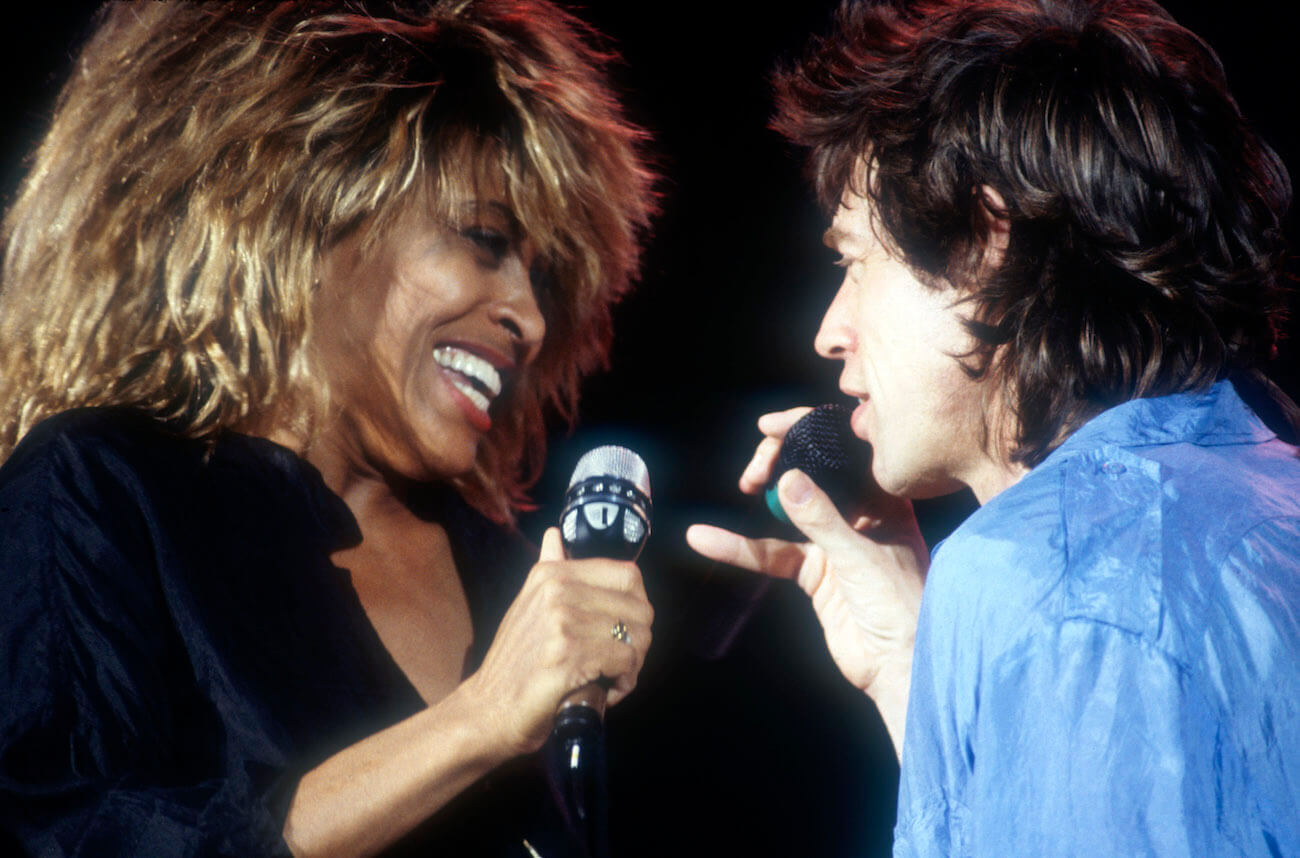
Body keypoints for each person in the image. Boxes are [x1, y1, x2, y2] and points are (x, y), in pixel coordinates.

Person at [0, 2, 655, 855]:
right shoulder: (98, 492)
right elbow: (78, 834)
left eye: (544, 279)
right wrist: (478, 720)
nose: (529, 318)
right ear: (306, 212)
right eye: (483, 240)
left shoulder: (515, 568)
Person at [687, 0, 1300, 853]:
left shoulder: (1043, 571)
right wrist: (913, 665)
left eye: (855, 262)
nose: (828, 331)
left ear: (985, 241)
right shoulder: (1270, 490)